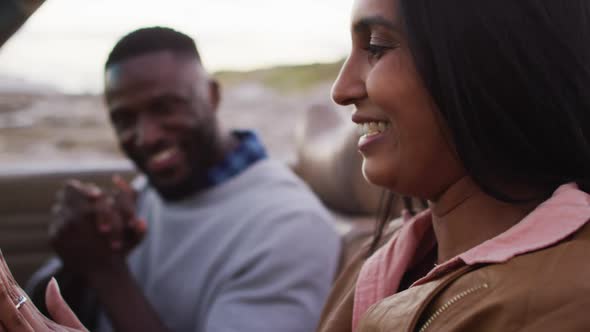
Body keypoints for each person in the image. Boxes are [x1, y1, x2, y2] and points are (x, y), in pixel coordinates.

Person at [3, 0, 590, 331]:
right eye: (122, 116)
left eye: (378, 46)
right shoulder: (381, 256)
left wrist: (107, 272)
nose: (341, 89)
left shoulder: (561, 299)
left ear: (486, 64)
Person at [24, 26, 341, 332]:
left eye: (165, 108)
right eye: (124, 119)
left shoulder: (288, 226)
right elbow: (37, 306)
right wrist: (81, 254)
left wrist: (105, 268)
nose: (146, 137)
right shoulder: (150, 191)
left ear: (212, 96)